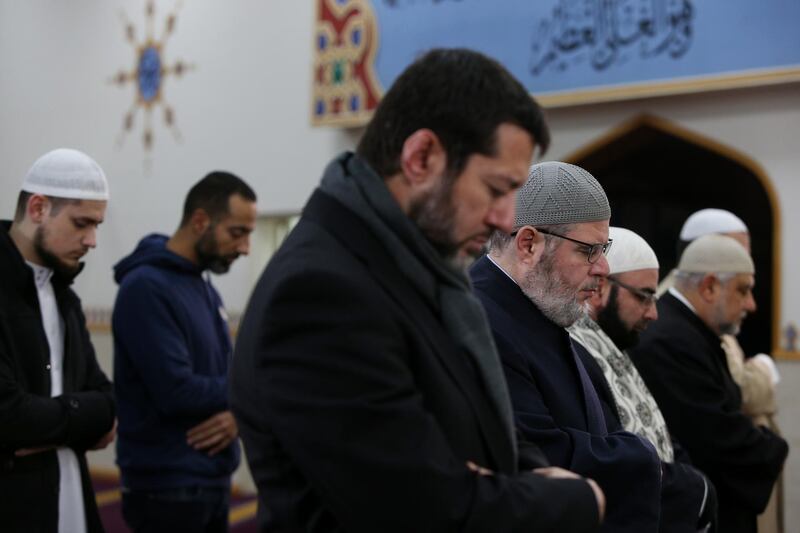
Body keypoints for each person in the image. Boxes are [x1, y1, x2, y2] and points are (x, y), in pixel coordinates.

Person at [230, 48, 604, 533]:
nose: (506, 218)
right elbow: (420, 510)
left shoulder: (413, 267)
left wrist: (529, 470)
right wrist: (575, 497)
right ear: (421, 157)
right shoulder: (321, 292)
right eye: (496, 189)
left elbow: (476, 419)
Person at [471, 161, 662, 533]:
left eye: (603, 249)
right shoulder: (480, 321)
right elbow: (535, 457)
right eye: (589, 251)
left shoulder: (539, 305)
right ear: (528, 244)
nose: (603, 267)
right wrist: (641, 455)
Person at [112, 172, 256, 532]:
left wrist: (239, 410)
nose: (245, 247)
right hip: (166, 486)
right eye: (237, 232)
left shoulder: (205, 288)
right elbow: (176, 391)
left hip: (210, 479)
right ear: (199, 221)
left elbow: (227, 376)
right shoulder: (146, 287)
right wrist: (249, 396)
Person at [630, 234, 788, 533]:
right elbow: (712, 438)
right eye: (743, 290)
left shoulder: (691, 333)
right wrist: (772, 447)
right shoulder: (670, 341)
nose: (751, 305)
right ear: (710, 287)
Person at [569, 226, 716, 532]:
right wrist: (694, 486)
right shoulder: (576, 353)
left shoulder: (614, 346)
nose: (653, 314)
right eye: (644, 297)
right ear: (598, 288)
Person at [0, 148, 116, 533]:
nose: (92, 240)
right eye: (82, 223)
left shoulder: (63, 295)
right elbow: (10, 416)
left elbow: (108, 400)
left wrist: (49, 428)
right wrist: (81, 420)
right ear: (38, 208)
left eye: (97, 225)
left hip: (72, 500)